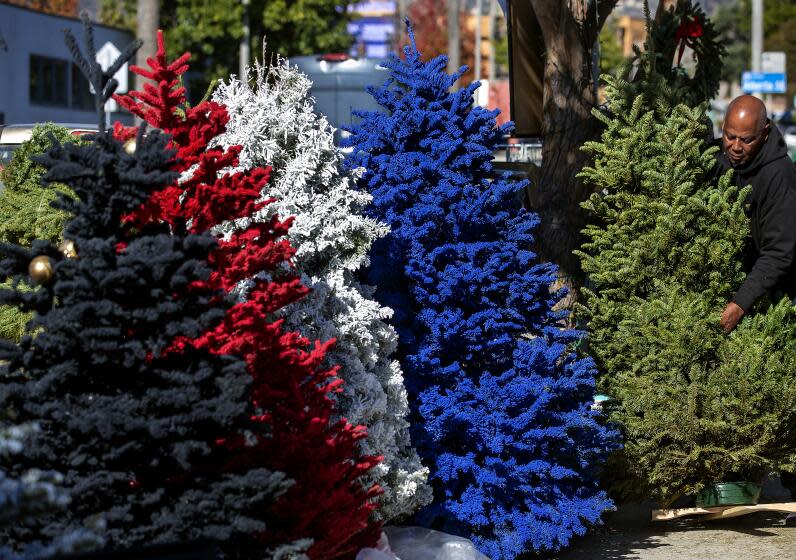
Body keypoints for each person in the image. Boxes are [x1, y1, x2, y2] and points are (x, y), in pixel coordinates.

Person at [716, 95, 796, 334]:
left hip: (779, 295)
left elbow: (779, 252)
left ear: (765, 133)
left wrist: (741, 303)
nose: (736, 147)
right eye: (730, 136)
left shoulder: (780, 177)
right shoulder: (719, 158)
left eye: (747, 140)